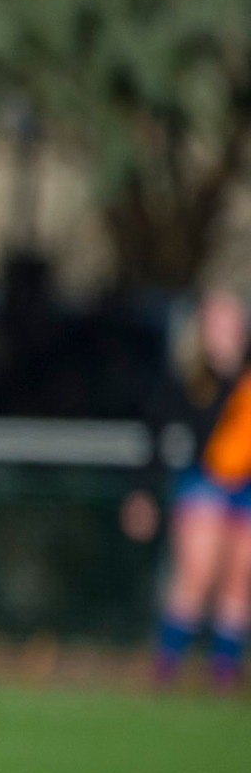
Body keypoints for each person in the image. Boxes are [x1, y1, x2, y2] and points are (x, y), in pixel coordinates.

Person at [127, 286, 251, 692]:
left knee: (240, 579)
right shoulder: (186, 381)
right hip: (204, 482)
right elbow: (155, 438)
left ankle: (224, 672)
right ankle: (166, 667)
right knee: (197, 573)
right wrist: (142, 492)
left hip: (247, 487)